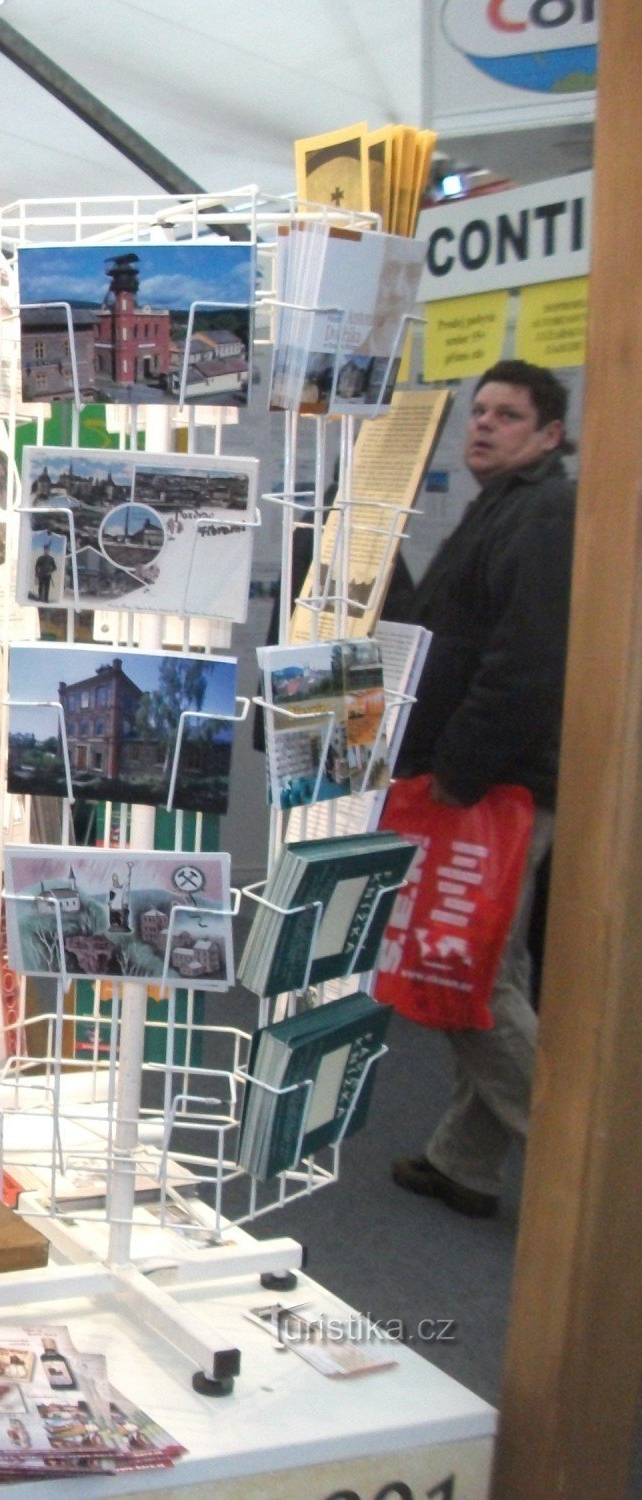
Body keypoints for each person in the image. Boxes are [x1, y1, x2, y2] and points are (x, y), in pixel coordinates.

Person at [386, 358, 574, 1219]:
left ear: (549, 435)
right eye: (479, 412)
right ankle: (465, 1162)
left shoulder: (542, 515)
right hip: (486, 785)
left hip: (496, 792)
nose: (483, 426)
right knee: (491, 969)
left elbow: (524, 669)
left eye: (507, 415)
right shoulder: (503, 507)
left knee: (469, 978)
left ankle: (593, 1176)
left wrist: (455, 773)